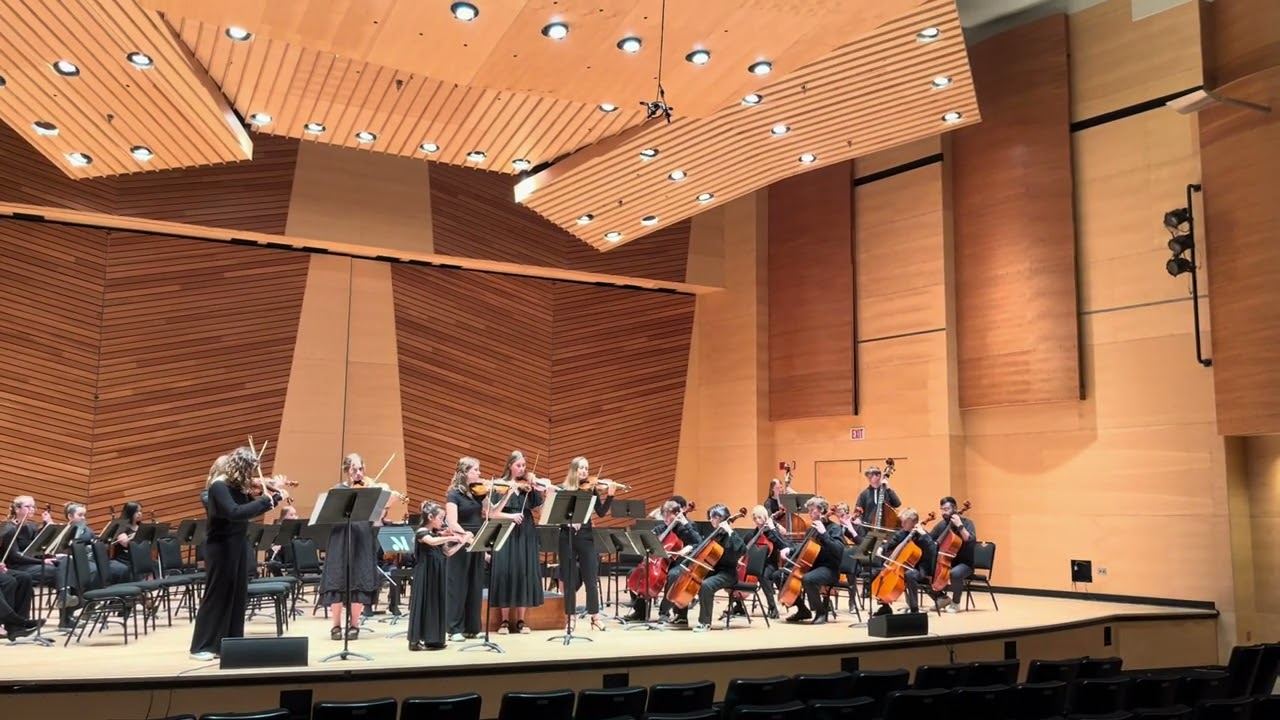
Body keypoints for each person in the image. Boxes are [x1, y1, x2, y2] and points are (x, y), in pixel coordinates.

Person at [189, 447, 286, 661]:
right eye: (249, 470)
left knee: (237, 595)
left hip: (238, 544)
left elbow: (249, 510)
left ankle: (231, 643)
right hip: (221, 547)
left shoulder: (235, 487)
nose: (250, 476)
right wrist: (265, 500)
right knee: (216, 595)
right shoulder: (218, 487)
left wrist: (275, 498)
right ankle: (201, 646)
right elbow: (234, 513)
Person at [545, 457, 616, 632]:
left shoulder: (591, 490)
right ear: (574, 470)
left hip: (585, 536)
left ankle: (595, 617)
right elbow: (554, 514)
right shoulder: (563, 490)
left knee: (591, 578)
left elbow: (601, 512)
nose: (584, 471)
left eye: (586, 468)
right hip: (566, 536)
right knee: (569, 579)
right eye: (581, 468)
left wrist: (610, 496)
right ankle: (571, 618)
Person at [317, 453, 380, 641]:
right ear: (347, 470)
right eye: (354, 469)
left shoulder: (369, 490)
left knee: (359, 577)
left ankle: (354, 625)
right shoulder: (337, 490)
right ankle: (336, 625)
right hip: (341, 537)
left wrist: (379, 498)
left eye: (361, 469)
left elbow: (377, 520)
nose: (358, 473)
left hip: (362, 536)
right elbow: (328, 515)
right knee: (337, 577)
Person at [486, 450, 546, 634]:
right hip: (506, 529)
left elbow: (541, 508)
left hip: (525, 530)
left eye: (524, 466)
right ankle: (504, 620)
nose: (522, 469)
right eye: (518, 465)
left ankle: (521, 620)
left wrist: (540, 489)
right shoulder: (501, 485)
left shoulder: (528, 486)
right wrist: (511, 516)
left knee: (523, 570)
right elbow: (492, 512)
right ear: (510, 466)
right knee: (505, 570)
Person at [664, 504, 746, 633]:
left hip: (727, 573)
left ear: (721, 518)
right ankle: (681, 616)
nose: (710, 520)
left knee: (706, 585)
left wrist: (730, 532)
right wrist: (692, 548)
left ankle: (705, 622)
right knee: (680, 573)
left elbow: (742, 550)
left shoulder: (731, 535)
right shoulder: (715, 534)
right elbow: (702, 545)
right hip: (712, 570)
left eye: (713, 517)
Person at [408, 502, 464, 651]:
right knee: (424, 603)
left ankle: (433, 639)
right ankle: (415, 641)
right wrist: (450, 537)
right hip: (425, 572)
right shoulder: (422, 532)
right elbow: (431, 541)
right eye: (440, 518)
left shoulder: (436, 534)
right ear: (430, 517)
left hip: (437, 571)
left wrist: (462, 541)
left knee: (435, 603)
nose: (442, 521)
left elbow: (448, 552)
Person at [780, 496, 845, 624]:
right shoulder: (811, 529)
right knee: (780, 574)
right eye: (808, 510)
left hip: (829, 568)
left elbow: (838, 550)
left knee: (809, 579)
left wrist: (824, 534)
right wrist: (789, 550)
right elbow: (804, 546)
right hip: (811, 566)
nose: (809, 513)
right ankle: (802, 610)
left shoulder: (834, 528)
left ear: (821, 510)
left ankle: (821, 612)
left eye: (812, 510)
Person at [443, 457, 481, 642]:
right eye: (476, 470)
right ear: (465, 472)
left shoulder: (477, 493)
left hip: (477, 541)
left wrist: (506, 495)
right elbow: (452, 522)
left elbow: (492, 511)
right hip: (461, 542)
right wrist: (466, 536)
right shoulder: (453, 495)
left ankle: (472, 628)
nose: (479, 473)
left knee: (475, 584)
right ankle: (454, 628)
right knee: (457, 586)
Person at [873, 508, 936, 615]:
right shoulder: (903, 533)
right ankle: (885, 606)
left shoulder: (923, 535)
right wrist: (882, 548)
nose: (902, 524)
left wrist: (923, 535)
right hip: (903, 566)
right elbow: (891, 543)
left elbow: (932, 550)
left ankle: (914, 609)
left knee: (910, 574)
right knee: (876, 572)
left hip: (920, 569)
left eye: (905, 522)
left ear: (913, 522)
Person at [929, 497, 976, 613]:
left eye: (946, 509)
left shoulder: (967, 523)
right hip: (946, 561)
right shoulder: (942, 525)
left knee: (955, 573)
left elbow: (970, 540)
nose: (943, 512)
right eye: (942, 509)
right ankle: (941, 598)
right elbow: (930, 541)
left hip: (964, 564)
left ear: (955, 509)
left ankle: (956, 603)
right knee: (923, 571)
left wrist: (960, 526)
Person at [746, 505, 790, 619]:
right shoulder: (752, 534)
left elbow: (784, 544)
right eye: (755, 518)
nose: (757, 521)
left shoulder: (772, 533)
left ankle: (772, 607)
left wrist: (773, 529)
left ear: (765, 517)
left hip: (770, 564)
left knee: (763, 575)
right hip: (755, 564)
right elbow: (743, 548)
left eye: (759, 518)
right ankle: (738, 605)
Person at [853, 466, 901, 530]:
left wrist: (888, 488)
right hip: (868, 529)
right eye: (867, 476)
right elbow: (858, 509)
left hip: (886, 528)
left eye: (871, 476)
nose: (869, 478)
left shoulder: (887, 491)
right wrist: (858, 518)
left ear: (878, 476)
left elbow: (897, 504)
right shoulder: (864, 494)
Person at [263, 505, 299, 577]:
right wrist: (272, 547)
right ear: (284, 516)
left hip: (292, 555)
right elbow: (267, 543)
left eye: (295, 514)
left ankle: (293, 574)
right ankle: (281, 576)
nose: (294, 517)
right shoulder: (276, 529)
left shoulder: (297, 528)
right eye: (291, 515)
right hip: (280, 557)